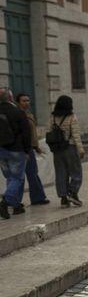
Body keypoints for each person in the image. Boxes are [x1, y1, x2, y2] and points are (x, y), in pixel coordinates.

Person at [49, 95, 85, 207]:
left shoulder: (53, 117)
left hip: (57, 149)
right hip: (70, 147)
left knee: (60, 173)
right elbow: (75, 134)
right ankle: (73, 193)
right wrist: (81, 149)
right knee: (76, 171)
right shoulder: (71, 116)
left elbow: (49, 132)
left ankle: (63, 198)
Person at [0, 87, 31, 218]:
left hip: (1, 150)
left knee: (10, 178)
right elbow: (26, 133)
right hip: (16, 149)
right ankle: (5, 202)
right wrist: (27, 150)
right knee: (17, 177)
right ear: (11, 98)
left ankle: (16, 205)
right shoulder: (18, 112)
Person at [16, 93, 49, 206]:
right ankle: (15, 200)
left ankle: (37, 197)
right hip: (22, 149)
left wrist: (36, 146)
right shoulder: (17, 115)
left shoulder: (29, 114)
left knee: (33, 173)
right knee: (20, 176)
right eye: (23, 101)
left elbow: (32, 134)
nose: (26, 103)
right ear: (18, 102)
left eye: (28, 100)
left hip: (30, 147)